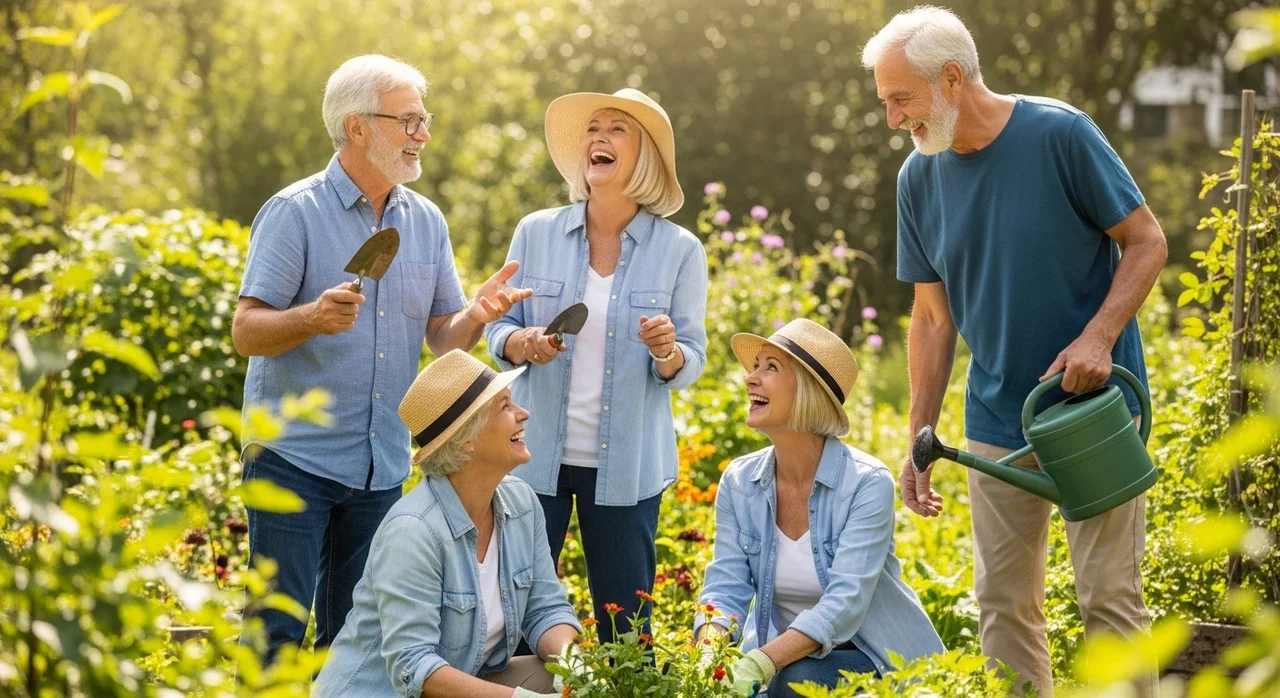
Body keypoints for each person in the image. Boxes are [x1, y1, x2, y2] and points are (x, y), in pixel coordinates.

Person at [861, 8, 1169, 696]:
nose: (892, 119)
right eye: (885, 102)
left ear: (950, 78)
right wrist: (920, 429)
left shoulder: (1058, 134)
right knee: (1002, 606)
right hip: (998, 420)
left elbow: (1147, 240)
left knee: (1109, 604)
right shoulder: (919, 178)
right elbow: (932, 319)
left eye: (900, 99)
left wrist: (1098, 335)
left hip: (1091, 410)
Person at [231, 54, 532, 661]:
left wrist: (475, 315)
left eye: (425, 119)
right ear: (357, 126)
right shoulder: (295, 212)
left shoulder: (425, 221)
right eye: (410, 120)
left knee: (357, 638)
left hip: (380, 465)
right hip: (295, 458)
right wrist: (310, 317)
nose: (423, 133)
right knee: (275, 636)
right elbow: (246, 331)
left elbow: (442, 340)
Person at [485, 88, 708, 641]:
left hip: (628, 468)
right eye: (592, 128)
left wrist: (667, 351)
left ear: (645, 156)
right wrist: (524, 343)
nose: (599, 137)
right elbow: (497, 328)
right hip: (533, 458)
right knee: (512, 616)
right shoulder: (535, 231)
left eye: (617, 129)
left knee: (626, 630)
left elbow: (692, 359)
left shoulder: (680, 250)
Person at [695, 319, 944, 698]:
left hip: (872, 659)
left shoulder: (866, 482)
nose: (751, 379)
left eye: (771, 368)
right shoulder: (739, 482)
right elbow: (726, 584)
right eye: (755, 366)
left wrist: (760, 662)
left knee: (796, 683)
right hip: (783, 660)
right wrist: (708, 651)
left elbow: (843, 605)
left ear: (808, 392)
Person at [313, 350, 578, 697]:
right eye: (504, 407)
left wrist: (577, 666)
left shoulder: (522, 503)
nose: (523, 413)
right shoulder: (413, 531)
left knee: (575, 684)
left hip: (466, 680)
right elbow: (414, 667)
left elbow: (545, 608)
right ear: (466, 440)